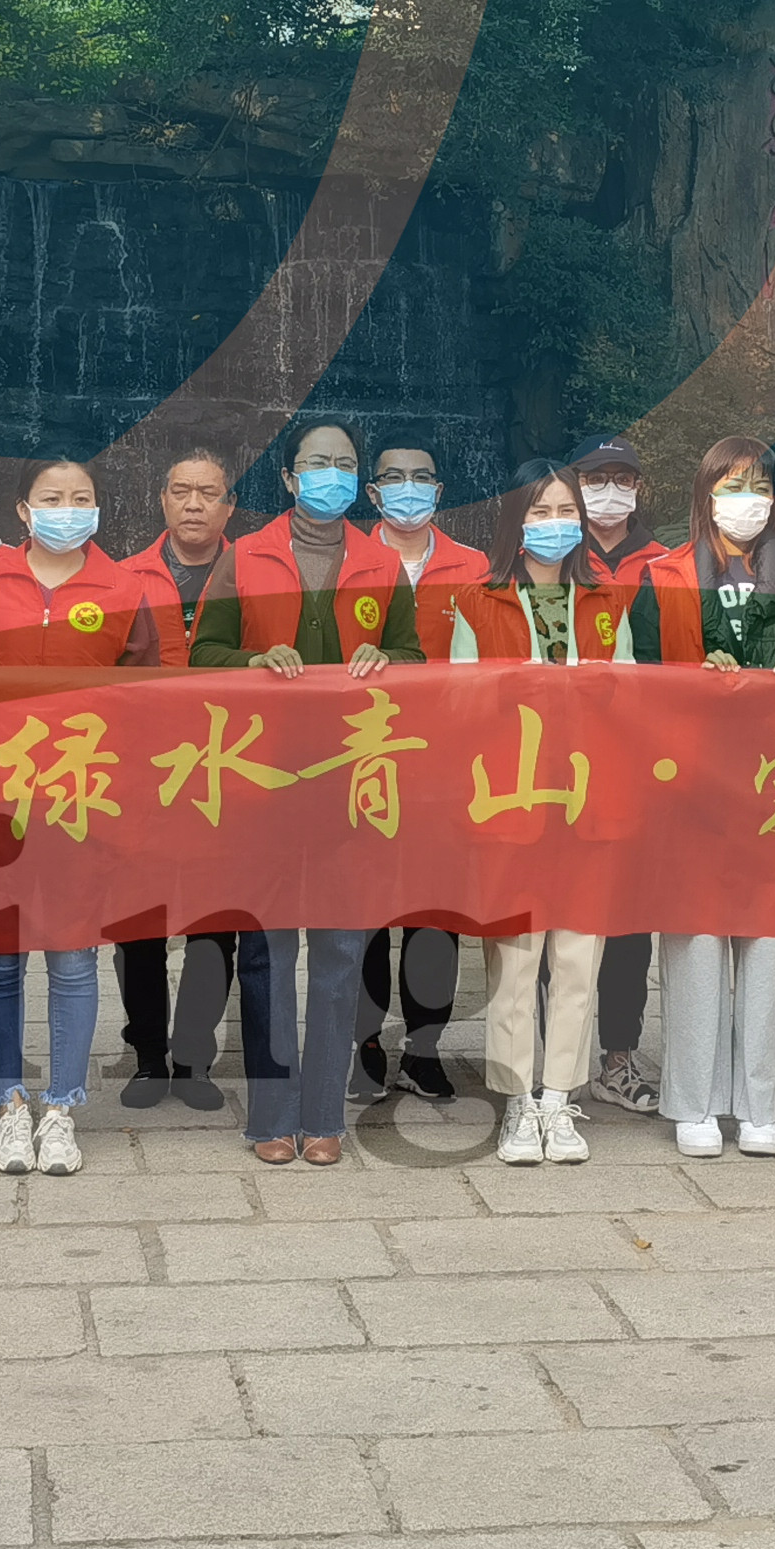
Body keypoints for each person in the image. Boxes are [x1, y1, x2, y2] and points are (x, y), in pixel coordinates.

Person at [195, 417, 423, 1166]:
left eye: (345, 464)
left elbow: (415, 656)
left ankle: (324, 1114)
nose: (332, 474)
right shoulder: (244, 556)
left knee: (340, 950)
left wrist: (384, 657)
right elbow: (203, 656)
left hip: (352, 782)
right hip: (263, 783)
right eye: (317, 463)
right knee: (266, 953)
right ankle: (270, 1114)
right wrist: (255, 660)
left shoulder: (380, 563)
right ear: (291, 478)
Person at [0, 456, 169, 1176]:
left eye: (81, 498)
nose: (67, 509)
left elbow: (144, 702)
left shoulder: (126, 589)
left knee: (73, 960)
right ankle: (9, 1103)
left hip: (82, 802)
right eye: (52, 497)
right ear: (23, 510)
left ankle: (62, 1108)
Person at [629, 435, 775, 1159]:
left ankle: (760, 1104)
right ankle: (695, 1102)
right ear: (706, 494)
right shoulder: (664, 576)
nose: (749, 501)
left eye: (761, 487)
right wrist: (688, 676)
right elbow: (637, 679)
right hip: (692, 785)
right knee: (696, 944)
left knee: (767, 943)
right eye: (734, 486)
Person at [443, 461, 605, 1165]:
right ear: (515, 522)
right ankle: (516, 1102)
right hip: (509, 798)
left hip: (588, 800)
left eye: (565, 511)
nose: (554, 524)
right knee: (514, 961)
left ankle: (560, 1100)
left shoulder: (605, 601)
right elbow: (458, 702)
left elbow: (632, 699)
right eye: (539, 512)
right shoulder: (478, 602)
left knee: (578, 957)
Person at [114, 445, 261, 1110]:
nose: (193, 505)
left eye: (208, 493)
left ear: (230, 507)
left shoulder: (255, 576)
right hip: (141, 776)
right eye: (181, 491)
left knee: (213, 925)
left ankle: (195, 1058)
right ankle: (148, 1056)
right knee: (136, 923)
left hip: (227, 772)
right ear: (162, 500)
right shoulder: (125, 579)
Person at [355, 434, 488, 1106]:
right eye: (393, 478)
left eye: (421, 478)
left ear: (438, 490)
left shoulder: (475, 568)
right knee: (365, 912)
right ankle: (364, 1045)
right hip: (363, 755)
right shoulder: (347, 562)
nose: (408, 488)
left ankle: (424, 1049)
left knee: (436, 912)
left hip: (446, 760)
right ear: (373, 492)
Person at [565, 433, 672, 1117]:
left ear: (638, 489)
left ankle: (618, 1055)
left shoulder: (664, 565)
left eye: (622, 478)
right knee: (563, 914)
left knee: (630, 921)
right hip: (558, 764)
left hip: (636, 762)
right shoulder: (550, 552)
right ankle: (559, 1055)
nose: (609, 490)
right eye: (595, 477)